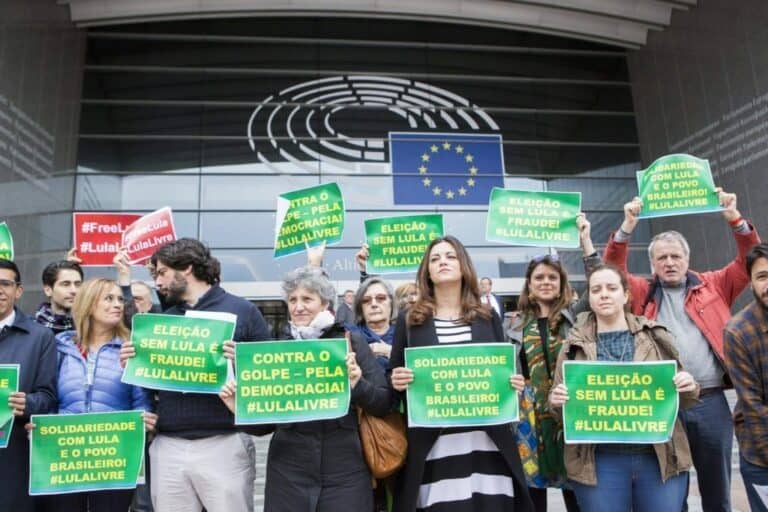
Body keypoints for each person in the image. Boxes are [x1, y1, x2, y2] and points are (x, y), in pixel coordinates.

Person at [603, 189, 760, 511]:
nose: (670, 262)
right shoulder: (640, 291)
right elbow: (612, 271)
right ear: (652, 264)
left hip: (710, 400)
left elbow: (750, 260)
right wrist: (627, 227)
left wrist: (734, 218)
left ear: (687, 259)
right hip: (663, 402)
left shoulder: (714, 284)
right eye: (662, 258)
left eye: (675, 256)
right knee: (671, 490)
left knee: (717, 488)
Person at [219, 263, 391, 511]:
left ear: (324, 304)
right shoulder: (277, 351)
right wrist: (240, 408)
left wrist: (358, 384)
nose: (298, 306)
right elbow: (266, 426)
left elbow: (383, 403)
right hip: (289, 477)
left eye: (307, 299)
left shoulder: (350, 342)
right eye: (293, 300)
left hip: (345, 475)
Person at [120, 238, 270, 512]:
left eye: (163, 272)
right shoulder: (162, 320)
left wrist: (243, 361)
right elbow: (149, 385)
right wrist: (132, 365)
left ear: (187, 268)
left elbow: (268, 376)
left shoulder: (243, 311)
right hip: (169, 445)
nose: (158, 282)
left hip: (223, 443)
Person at [389, 235, 534, 512]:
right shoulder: (410, 319)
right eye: (435, 258)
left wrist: (511, 384)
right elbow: (391, 377)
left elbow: (501, 371)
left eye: (450, 256)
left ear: (463, 265)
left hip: (487, 443)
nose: (442, 262)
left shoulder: (487, 316)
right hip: (437, 446)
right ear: (427, 271)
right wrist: (396, 380)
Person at [549, 264, 699, 512]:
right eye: (596, 290)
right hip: (598, 460)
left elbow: (683, 399)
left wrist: (688, 386)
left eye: (611, 288)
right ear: (590, 298)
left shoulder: (655, 336)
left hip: (657, 456)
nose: (604, 295)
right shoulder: (572, 346)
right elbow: (559, 411)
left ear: (626, 295)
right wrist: (557, 401)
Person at [507, 214, 598, 512]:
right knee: (531, 499)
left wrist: (585, 240)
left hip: (569, 411)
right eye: (539, 278)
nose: (545, 282)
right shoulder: (514, 324)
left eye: (552, 278)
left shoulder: (577, 316)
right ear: (529, 285)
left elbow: (597, 279)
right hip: (528, 419)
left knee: (578, 493)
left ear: (561, 285)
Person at [44, 278, 156, 511]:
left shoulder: (131, 348)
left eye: (120, 299)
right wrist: (41, 427)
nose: (118, 304)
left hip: (114, 456)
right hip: (65, 456)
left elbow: (142, 401)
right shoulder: (59, 347)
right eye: (108, 298)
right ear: (88, 303)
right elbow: (48, 397)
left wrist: (144, 419)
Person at [0, 259, 58, 512]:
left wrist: (28, 403)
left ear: (18, 290)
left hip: (14, 455)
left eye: (5, 284)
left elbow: (49, 397)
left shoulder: (40, 337)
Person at [723, 243, 768, 512]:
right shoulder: (738, 331)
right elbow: (753, 407)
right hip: (763, 454)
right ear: (750, 282)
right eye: (762, 277)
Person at [348, 277, 397, 369]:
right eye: (366, 300)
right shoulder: (348, 336)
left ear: (391, 303)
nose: (374, 304)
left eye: (381, 298)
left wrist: (392, 353)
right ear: (360, 307)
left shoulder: (406, 335)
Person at [34, 260, 83, 335]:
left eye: (78, 284)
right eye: (65, 284)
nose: (74, 291)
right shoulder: (32, 331)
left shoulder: (91, 327)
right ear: (48, 290)